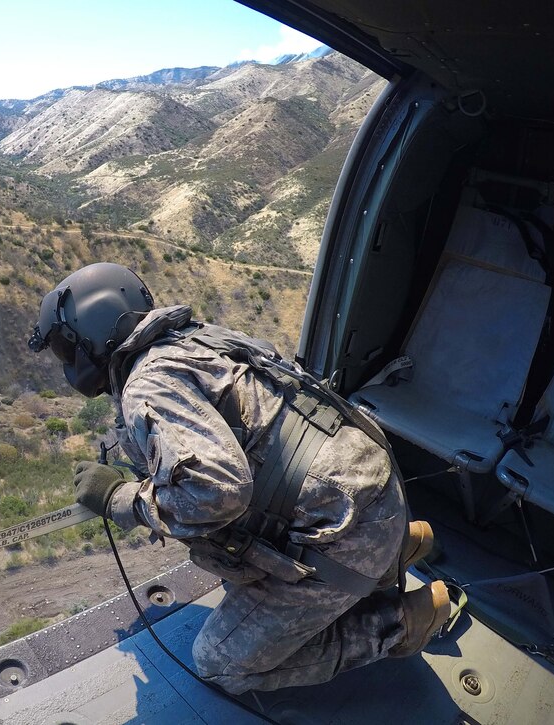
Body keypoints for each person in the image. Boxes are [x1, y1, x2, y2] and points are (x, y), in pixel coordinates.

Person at [28, 262, 452, 694]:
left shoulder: (148, 386)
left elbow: (217, 492)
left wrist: (125, 499)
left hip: (348, 530)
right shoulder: (197, 340)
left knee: (221, 663)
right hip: (373, 491)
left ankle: (403, 623)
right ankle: (400, 546)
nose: (69, 364)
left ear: (96, 333)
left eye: (67, 350)